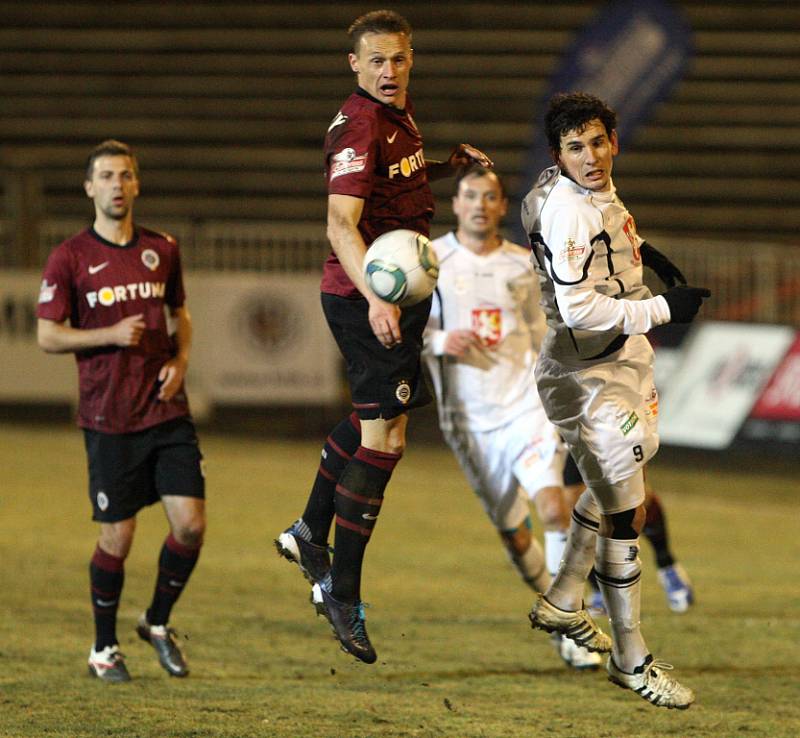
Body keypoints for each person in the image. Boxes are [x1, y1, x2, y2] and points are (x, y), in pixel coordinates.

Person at [274, 10, 492, 665]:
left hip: (391, 296)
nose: (389, 71)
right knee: (385, 442)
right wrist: (374, 299)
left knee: (377, 420)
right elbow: (341, 226)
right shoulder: (362, 125)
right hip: (364, 299)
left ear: (410, 57)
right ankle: (341, 591)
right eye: (376, 61)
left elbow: (394, 195)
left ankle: (311, 529)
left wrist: (446, 166)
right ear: (355, 65)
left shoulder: (397, 117)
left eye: (398, 59)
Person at [521, 92, 710, 709]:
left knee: (613, 498)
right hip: (589, 372)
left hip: (611, 364)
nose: (591, 155)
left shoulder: (561, 188)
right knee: (626, 512)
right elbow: (576, 307)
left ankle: (562, 599)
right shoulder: (571, 212)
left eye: (598, 141)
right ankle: (631, 660)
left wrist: (639, 252)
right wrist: (662, 308)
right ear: (559, 154)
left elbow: (561, 224)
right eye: (576, 146)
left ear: (613, 141)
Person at [37, 140, 206, 682]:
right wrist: (108, 333)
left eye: (124, 175)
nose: (116, 184)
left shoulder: (163, 248)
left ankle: (156, 622)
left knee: (191, 525)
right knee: (118, 537)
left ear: (136, 184)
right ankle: (103, 649)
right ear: (90, 187)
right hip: (109, 417)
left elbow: (181, 314)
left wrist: (180, 359)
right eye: (105, 176)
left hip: (166, 409)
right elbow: (46, 335)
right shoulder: (70, 257)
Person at [422, 165, 600, 670]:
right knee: (513, 533)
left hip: (527, 409)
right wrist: (438, 340)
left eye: (490, 197)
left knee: (550, 508)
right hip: (468, 424)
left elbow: (550, 335)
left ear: (503, 207)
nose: (479, 204)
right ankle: (555, 606)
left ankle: (570, 618)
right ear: (455, 205)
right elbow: (400, 332)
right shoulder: (429, 263)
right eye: (470, 196)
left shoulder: (525, 266)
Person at [563, 456, 695, 615]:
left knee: (634, 492)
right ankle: (600, 589)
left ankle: (666, 563)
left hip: (613, 432)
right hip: (569, 433)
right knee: (572, 502)